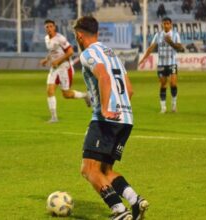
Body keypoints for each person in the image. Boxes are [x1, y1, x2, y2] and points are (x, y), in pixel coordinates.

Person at [74, 16, 149, 220]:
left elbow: (104, 77)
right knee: (105, 170)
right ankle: (135, 201)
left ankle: (119, 211)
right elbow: (129, 89)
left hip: (106, 120)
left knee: (89, 169)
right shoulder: (112, 54)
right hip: (126, 118)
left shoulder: (88, 54)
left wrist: (106, 110)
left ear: (79, 35)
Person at [40, 19, 90, 123]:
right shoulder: (46, 39)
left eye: (50, 26)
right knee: (49, 91)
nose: (49, 28)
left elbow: (70, 52)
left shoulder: (60, 38)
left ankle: (85, 95)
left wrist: (57, 61)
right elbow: (52, 51)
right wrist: (47, 59)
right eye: (47, 27)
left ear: (54, 27)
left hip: (64, 68)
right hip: (54, 68)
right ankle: (54, 118)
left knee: (66, 94)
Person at [138, 17, 184, 113]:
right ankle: (163, 108)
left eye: (168, 23)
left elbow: (181, 48)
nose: (166, 25)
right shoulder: (158, 35)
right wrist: (143, 59)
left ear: (171, 25)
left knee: (173, 83)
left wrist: (170, 42)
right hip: (161, 64)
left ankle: (174, 105)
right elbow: (151, 48)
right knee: (163, 84)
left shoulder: (175, 35)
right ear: (162, 25)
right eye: (164, 23)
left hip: (172, 62)